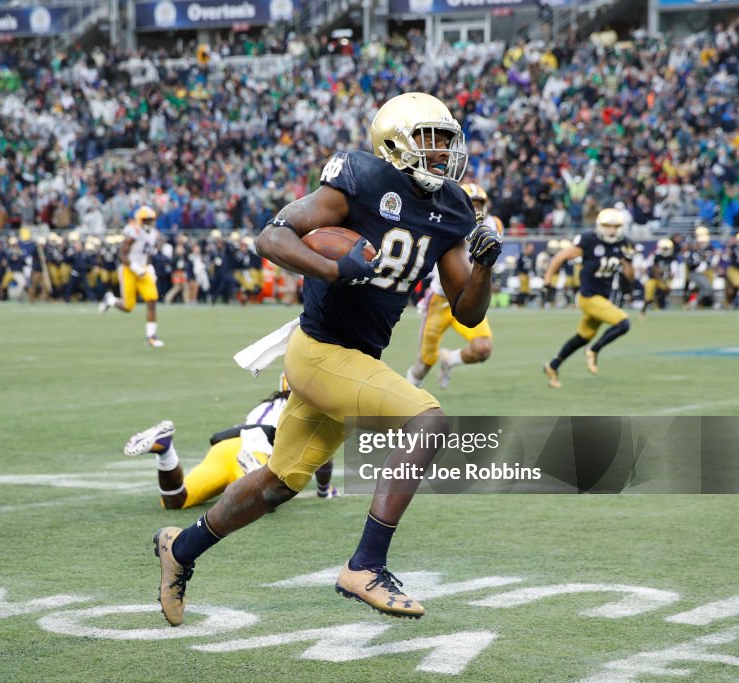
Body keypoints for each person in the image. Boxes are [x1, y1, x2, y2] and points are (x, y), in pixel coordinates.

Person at [151, 92, 501, 625]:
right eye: (430, 138)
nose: (442, 151)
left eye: (447, 139)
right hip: (320, 350)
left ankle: (180, 549)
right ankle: (366, 565)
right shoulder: (360, 177)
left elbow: (469, 314)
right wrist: (335, 270)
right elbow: (272, 236)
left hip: (355, 355)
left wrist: (483, 267)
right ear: (394, 142)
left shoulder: (450, 205)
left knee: (277, 483)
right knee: (428, 420)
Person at [123, 374, 338, 510]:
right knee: (268, 500)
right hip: (258, 447)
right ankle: (253, 472)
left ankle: (165, 450)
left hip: (226, 447)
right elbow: (323, 457)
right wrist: (323, 490)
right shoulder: (310, 412)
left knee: (174, 500)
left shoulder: (262, 407)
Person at [406, 182, 501, 390]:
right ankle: (403, 405)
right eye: (471, 203)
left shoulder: (493, 225)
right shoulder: (447, 221)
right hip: (440, 299)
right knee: (424, 364)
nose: (475, 209)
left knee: (482, 348)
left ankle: (449, 360)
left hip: (469, 298)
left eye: (479, 204)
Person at [542, 208, 634, 389]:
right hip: (589, 297)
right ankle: (594, 349)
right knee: (623, 323)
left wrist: (627, 262)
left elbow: (630, 275)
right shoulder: (590, 240)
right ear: (600, 226)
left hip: (603, 298)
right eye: (608, 226)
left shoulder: (624, 243)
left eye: (616, 226)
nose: (612, 230)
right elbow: (561, 256)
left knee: (582, 337)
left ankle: (552, 366)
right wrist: (547, 281)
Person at [99, 206, 164, 347]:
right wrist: (135, 267)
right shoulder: (133, 232)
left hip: (144, 269)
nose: (149, 223)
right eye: (146, 220)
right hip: (129, 269)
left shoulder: (153, 233)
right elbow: (122, 254)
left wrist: (149, 267)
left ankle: (151, 337)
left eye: (151, 220)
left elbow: (147, 253)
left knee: (152, 300)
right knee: (128, 307)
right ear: (139, 220)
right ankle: (110, 300)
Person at [640, 238, 675, 318]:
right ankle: (643, 311)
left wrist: (669, 278)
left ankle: (659, 305)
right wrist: (645, 276)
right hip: (652, 278)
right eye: (664, 248)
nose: (666, 250)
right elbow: (647, 267)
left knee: (667, 288)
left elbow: (673, 271)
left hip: (663, 278)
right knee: (648, 295)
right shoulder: (654, 255)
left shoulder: (672, 257)